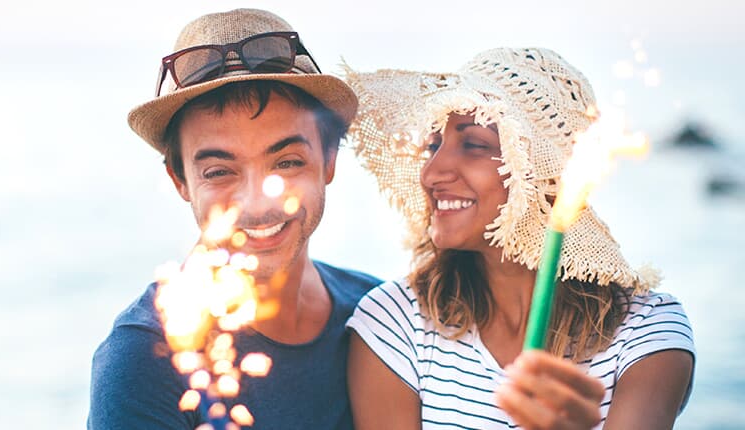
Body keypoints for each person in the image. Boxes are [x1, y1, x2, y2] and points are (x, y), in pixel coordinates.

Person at [342, 48, 695, 429]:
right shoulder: (395, 323)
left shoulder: (644, 332)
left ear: (541, 172)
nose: (431, 172)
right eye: (433, 145)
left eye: (474, 145)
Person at [88, 8, 381, 429]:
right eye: (220, 172)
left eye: (287, 162)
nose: (257, 201)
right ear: (180, 180)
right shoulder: (144, 361)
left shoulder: (375, 319)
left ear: (329, 161)